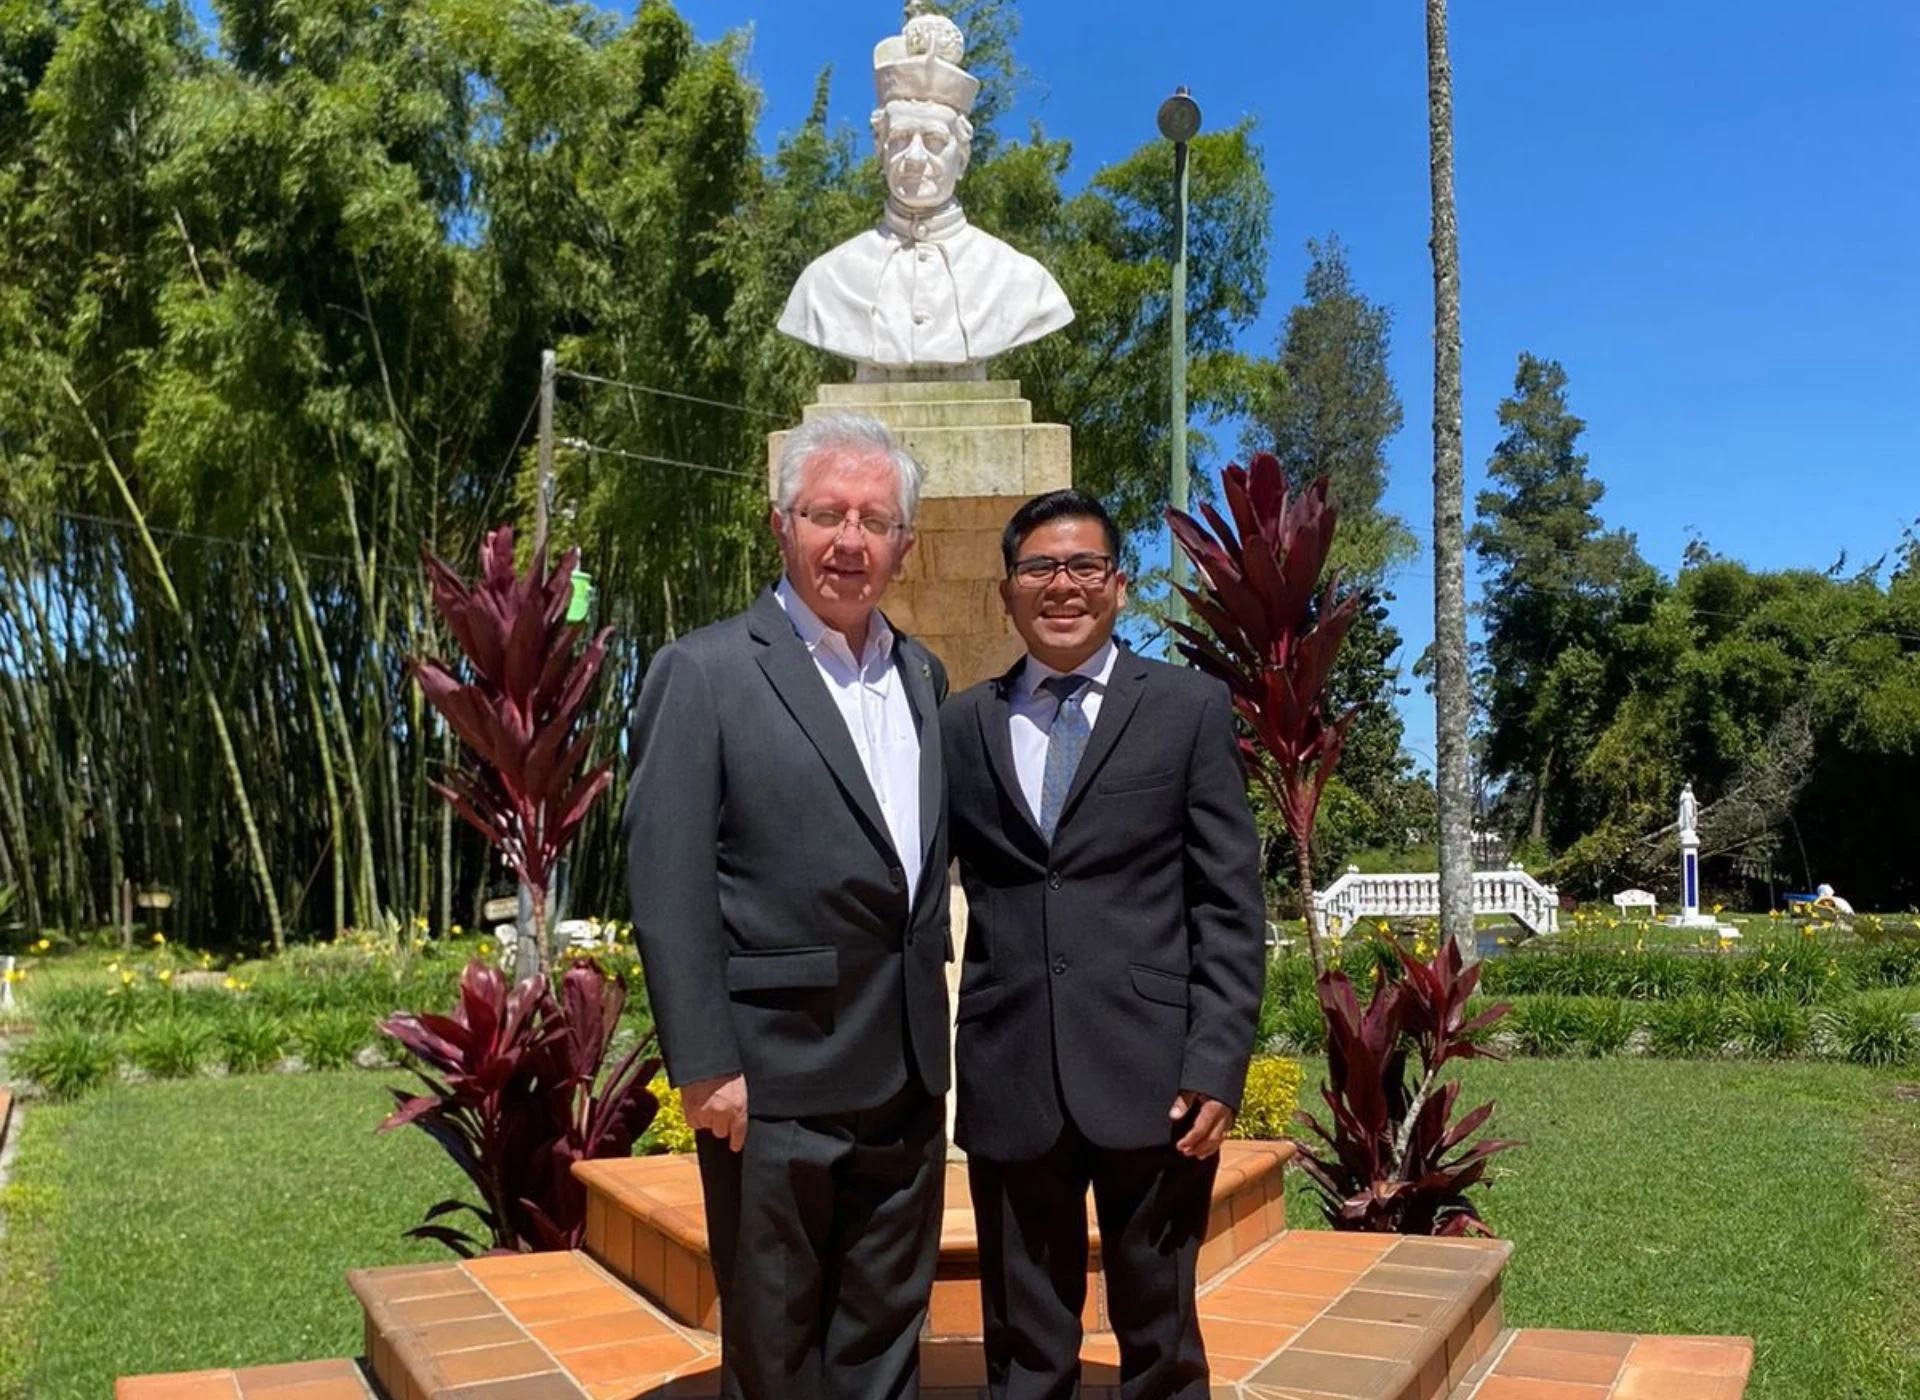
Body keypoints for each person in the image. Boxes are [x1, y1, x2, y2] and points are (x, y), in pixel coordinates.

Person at [624, 413, 952, 1400]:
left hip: (905, 1078)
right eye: (826, 514)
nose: (850, 540)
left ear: (905, 544)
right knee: (775, 1353)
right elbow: (667, 878)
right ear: (782, 524)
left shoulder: (924, 676)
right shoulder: (706, 672)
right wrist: (704, 1062)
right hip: (771, 1085)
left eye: (874, 520)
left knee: (884, 1342)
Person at [941, 489, 1266, 1400]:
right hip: (1011, 1072)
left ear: (1119, 585)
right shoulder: (960, 726)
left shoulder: (1188, 708)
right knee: (1025, 1346)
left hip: (1154, 1076)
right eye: (1040, 568)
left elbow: (1228, 901)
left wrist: (1217, 1063)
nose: (1063, 585)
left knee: (1161, 1341)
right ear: (1007, 593)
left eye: (1085, 565)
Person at [777, 9, 1072, 371]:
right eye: (901, 138)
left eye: (934, 140)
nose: (915, 158)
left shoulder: (1019, 280)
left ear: (962, 158)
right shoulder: (826, 282)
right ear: (881, 152)